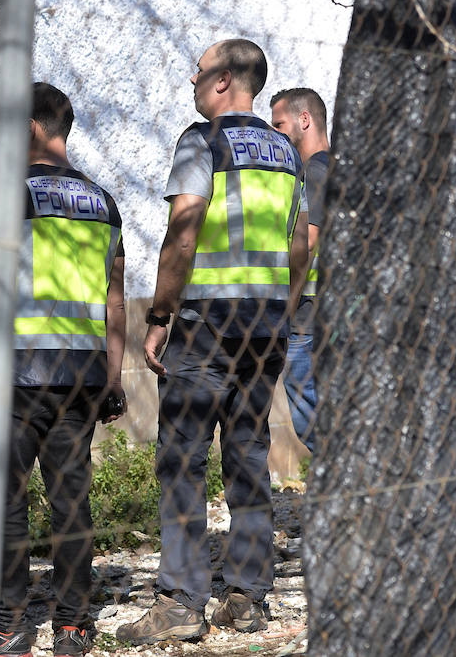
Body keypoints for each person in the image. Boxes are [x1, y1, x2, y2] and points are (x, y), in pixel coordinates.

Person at [117, 39, 308, 645]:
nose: (192, 82)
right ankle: (247, 598)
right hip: (265, 326)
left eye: (198, 73)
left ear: (224, 81)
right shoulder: (285, 150)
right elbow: (302, 241)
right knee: (249, 456)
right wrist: (283, 304)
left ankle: (180, 602)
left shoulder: (203, 141)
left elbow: (182, 232)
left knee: (182, 459)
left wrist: (160, 315)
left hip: (204, 325)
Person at [0, 82, 127, 657]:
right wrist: (112, 376)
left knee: (6, 498)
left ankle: (11, 627)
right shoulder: (104, 202)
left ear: (32, 129)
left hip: (16, 375)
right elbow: (114, 300)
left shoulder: (11, 194)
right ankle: (72, 626)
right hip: (82, 374)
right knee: (71, 499)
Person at [269, 88, 330, 455]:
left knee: (312, 423)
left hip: (306, 317)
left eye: (279, 124)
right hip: (328, 314)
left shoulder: (315, 171)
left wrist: (284, 307)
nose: (274, 133)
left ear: (304, 120)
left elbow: (308, 242)